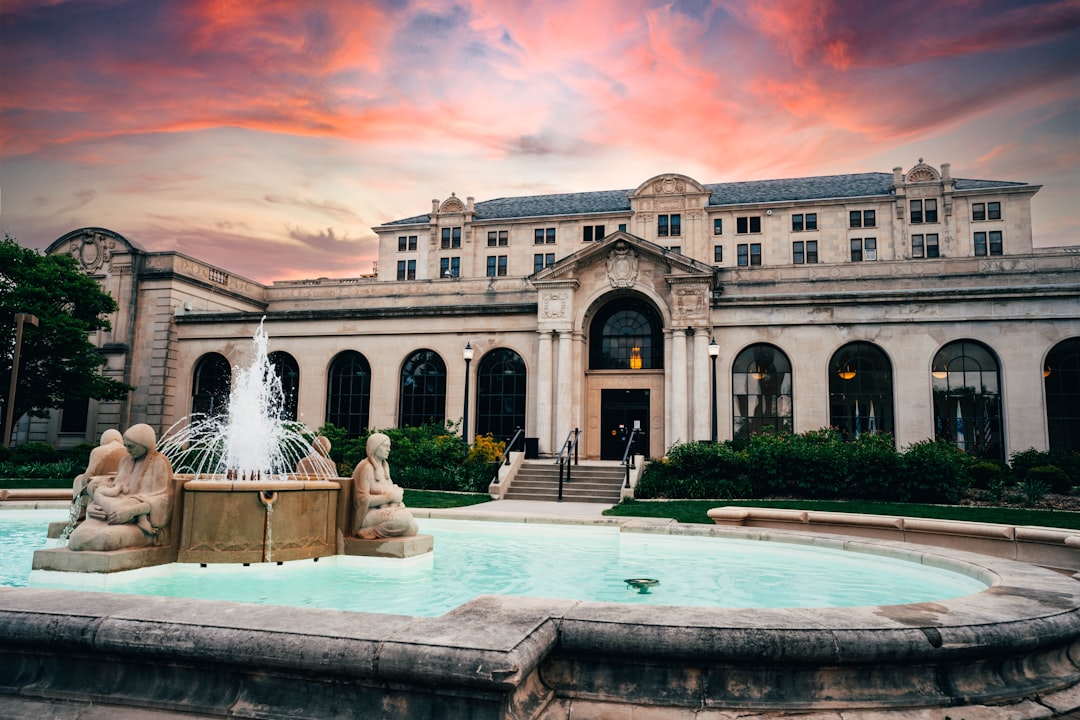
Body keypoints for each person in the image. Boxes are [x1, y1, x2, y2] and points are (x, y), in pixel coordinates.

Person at [67, 424, 174, 552]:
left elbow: (163, 499)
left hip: (137, 521)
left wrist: (132, 512)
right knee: (76, 538)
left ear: (144, 444)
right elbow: (115, 489)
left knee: (106, 539)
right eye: (126, 446)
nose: (127, 450)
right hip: (111, 513)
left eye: (131, 446)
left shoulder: (160, 463)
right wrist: (93, 505)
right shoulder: (125, 461)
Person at [351, 432, 418, 539]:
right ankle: (370, 531)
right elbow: (361, 500)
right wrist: (389, 498)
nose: (389, 449)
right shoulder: (365, 467)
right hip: (367, 514)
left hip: (382, 510)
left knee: (413, 527)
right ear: (375, 447)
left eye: (389, 447)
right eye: (386, 446)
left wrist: (396, 496)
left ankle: (373, 530)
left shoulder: (384, 467)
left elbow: (389, 490)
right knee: (405, 519)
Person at [70, 429, 129, 524]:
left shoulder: (98, 451)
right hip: (121, 485)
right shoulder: (129, 451)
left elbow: (88, 475)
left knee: (78, 479)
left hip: (100, 485)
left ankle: (79, 514)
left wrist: (85, 483)